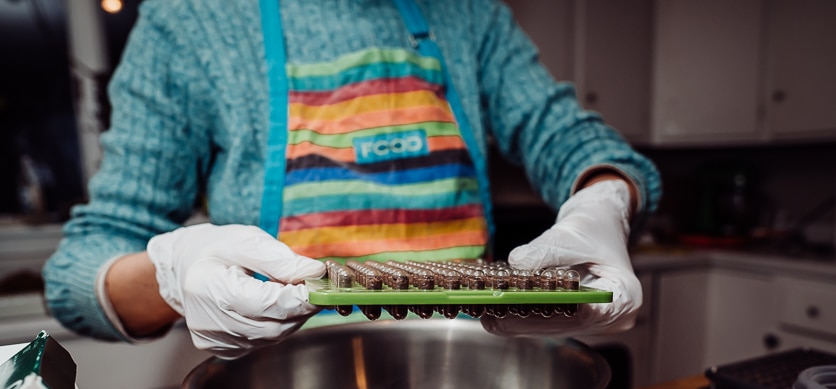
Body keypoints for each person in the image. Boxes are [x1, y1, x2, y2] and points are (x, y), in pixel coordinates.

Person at [43, 0, 661, 359]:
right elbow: (76, 274)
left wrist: (603, 202)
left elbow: (571, 138)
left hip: (477, 381)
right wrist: (172, 275)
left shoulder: (466, 13)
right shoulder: (194, 21)